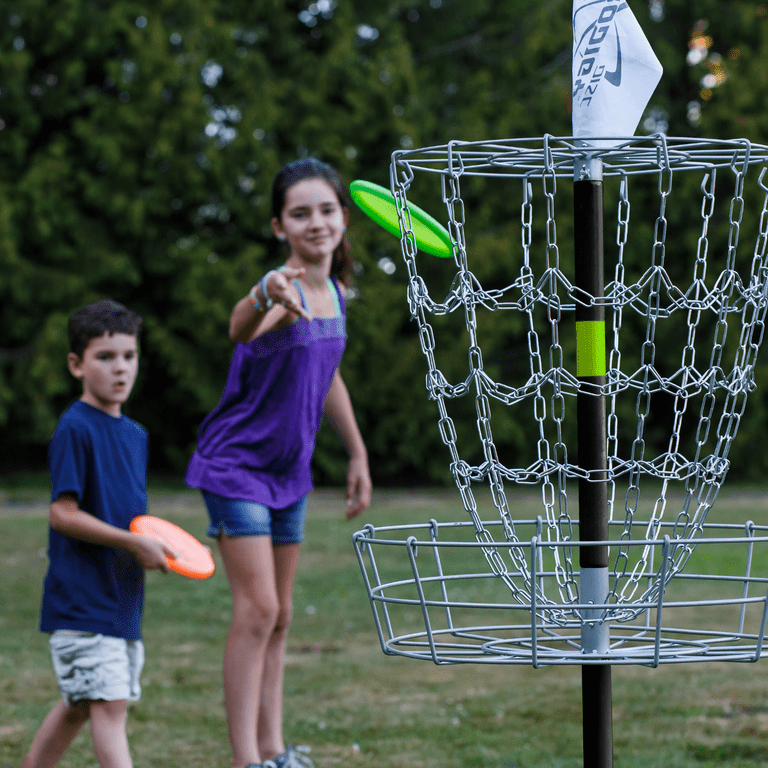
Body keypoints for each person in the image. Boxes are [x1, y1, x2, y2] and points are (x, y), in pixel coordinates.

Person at [185, 158, 372, 768]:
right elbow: (241, 330)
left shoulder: (336, 293)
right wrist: (264, 290)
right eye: (300, 213)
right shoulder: (283, 290)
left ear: (343, 218)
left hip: (290, 472)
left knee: (282, 615)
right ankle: (247, 760)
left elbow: (329, 373)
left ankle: (274, 749)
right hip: (237, 465)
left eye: (325, 210)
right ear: (279, 226)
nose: (315, 223)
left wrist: (357, 452)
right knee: (259, 609)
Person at [22, 299, 175, 768]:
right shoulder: (75, 428)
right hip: (82, 603)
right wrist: (133, 543)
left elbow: (131, 518)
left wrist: (159, 543)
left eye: (129, 355)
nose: (120, 368)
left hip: (121, 601)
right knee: (108, 709)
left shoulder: (135, 435)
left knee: (82, 705)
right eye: (105, 357)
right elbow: (63, 514)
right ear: (76, 364)